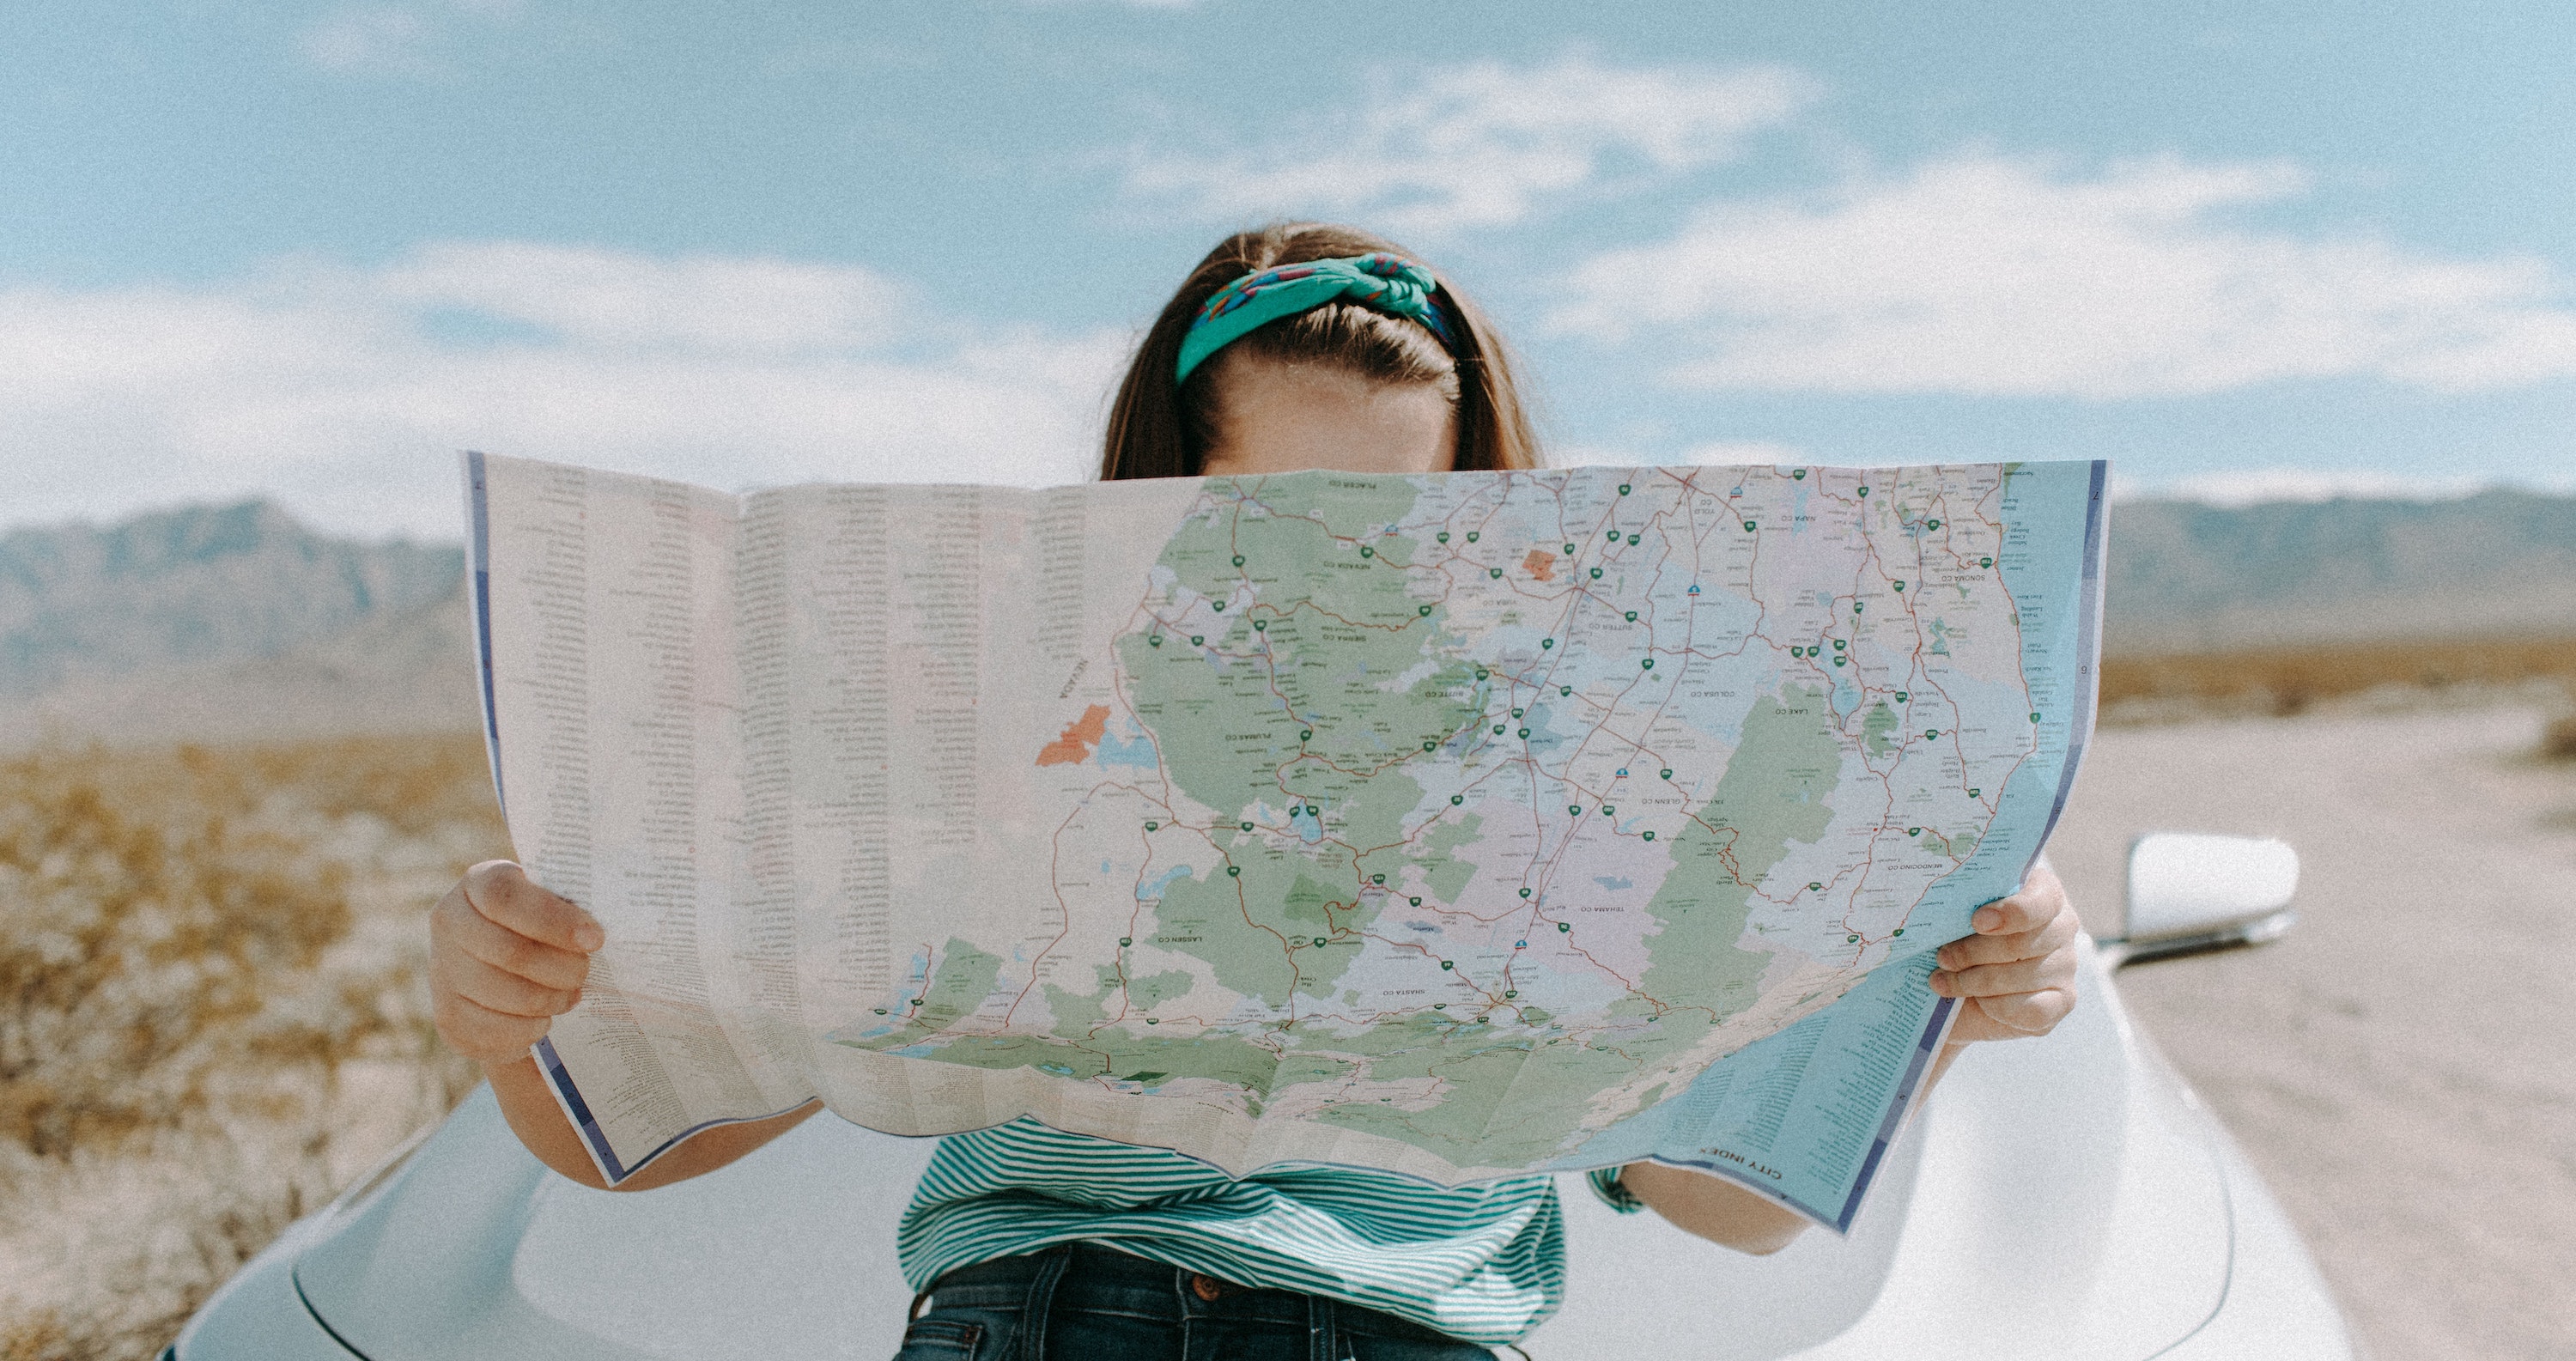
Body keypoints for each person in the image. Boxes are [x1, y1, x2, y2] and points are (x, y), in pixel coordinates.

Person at [428, 222, 2083, 1360]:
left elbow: (1726, 1208)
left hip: (1417, 1329)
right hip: (1049, 1311)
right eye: (1265, 513)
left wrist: (1939, 1008)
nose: (1326, 569)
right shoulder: (1003, 724)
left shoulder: (1590, 766)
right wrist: (521, 1017)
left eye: (1398, 521)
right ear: (1154, 497)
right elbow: (643, 1144)